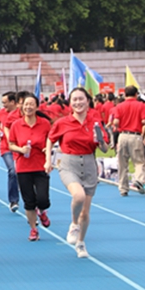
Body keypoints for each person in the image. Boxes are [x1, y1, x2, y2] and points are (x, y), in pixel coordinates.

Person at [46, 87, 110, 259]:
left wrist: (101, 140)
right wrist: (47, 160)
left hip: (89, 164)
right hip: (68, 163)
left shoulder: (95, 122)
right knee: (79, 196)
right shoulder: (62, 123)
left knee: (85, 212)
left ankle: (81, 242)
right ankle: (74, 225)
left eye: (81, 99)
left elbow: (104, 149)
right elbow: (50, 140)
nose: (78, 103)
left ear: (88, 101)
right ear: (70, 103)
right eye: (74, 100)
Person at [8, 94, 52, 241]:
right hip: (23, 167)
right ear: (21, 106)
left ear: (37, 107)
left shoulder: (45, 124)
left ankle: (42, 212)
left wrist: (47, 152)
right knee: (29, 201)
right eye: (26, 104)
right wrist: (20, 150)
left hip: (40, 165)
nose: (28, 107)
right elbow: (10, 144)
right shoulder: (16, 125)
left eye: (31, 104)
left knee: (43, 199)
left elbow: (49, 141)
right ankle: (33, 229)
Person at [112, 85, 145, 196]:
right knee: (138, 161)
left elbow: (116, 122)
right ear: (136, 94)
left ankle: (123, 188)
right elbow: (144, 121)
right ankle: (139, 179)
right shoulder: (141, 105)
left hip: (123, 135)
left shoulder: (120, 106)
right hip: (135, 135)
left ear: (125, 94)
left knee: (122, 162)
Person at [0, 92, 21, 212]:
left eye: (5, 102)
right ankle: (13, 200)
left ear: (13, 102)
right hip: (6, 148)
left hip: (20, 149)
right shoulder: (2, 113)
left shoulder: (21, 114)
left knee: (22, 173)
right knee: (13, 170)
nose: (3, 105)